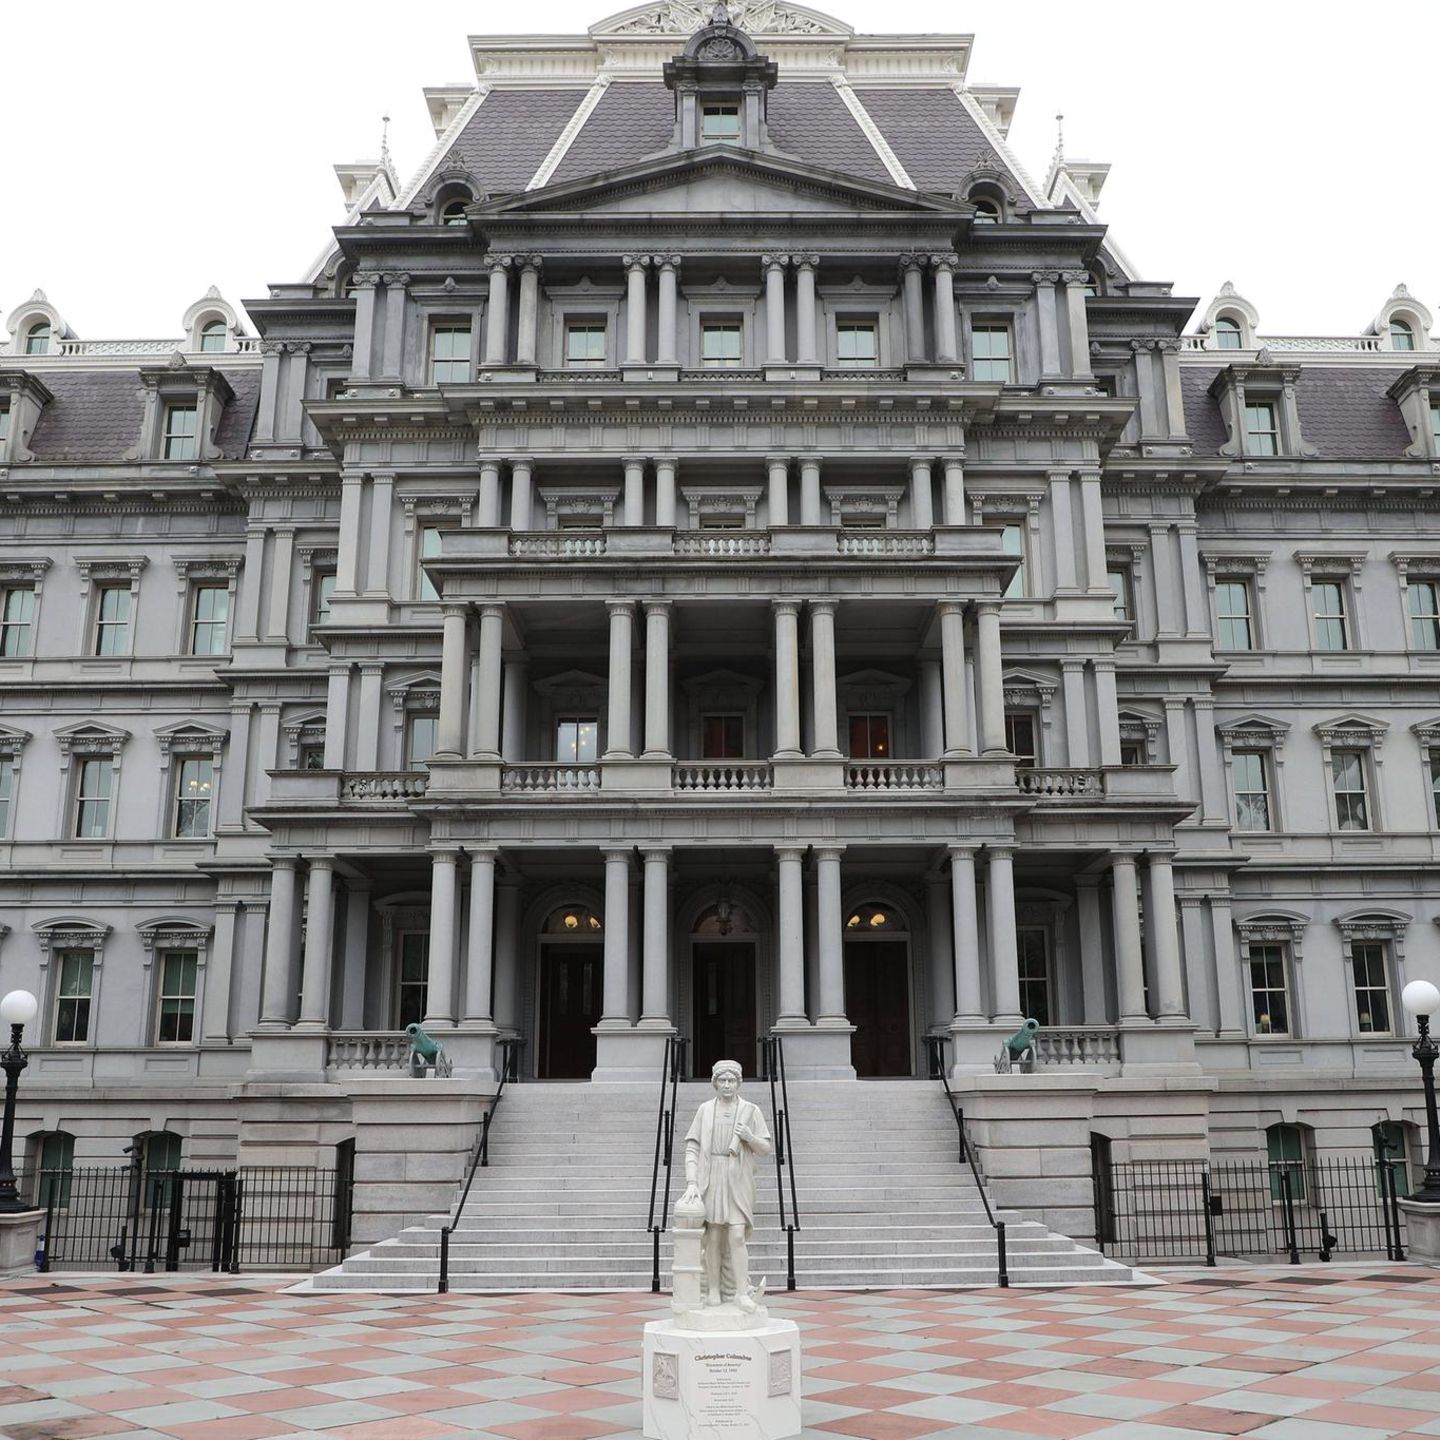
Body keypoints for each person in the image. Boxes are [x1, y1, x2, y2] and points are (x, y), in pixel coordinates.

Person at [680, 1059, 773, 1310]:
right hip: (711, 1175)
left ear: (739, 1083)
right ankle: (713, 1290)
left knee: (737, 1234)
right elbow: (692, 1146)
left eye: (732, 1080)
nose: (727, 1085)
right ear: (715, 1083)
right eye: (722, 1080)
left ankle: (741, 1291)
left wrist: (749, 1137)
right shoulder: (705, 1110)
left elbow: (765, 1148)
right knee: (713, 1235)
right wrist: (691, 1182)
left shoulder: (750, 1110)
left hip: (738, 1176)